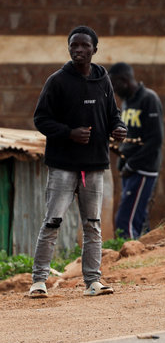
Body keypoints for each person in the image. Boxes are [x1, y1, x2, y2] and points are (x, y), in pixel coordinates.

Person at [30, 25, 127, 298]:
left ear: (95, 50)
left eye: (85, 46)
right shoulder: (58, 81)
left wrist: (118, 129)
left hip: (94, 165)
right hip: (63, 165)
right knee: (52, 222)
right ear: (69, 48)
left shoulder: (102, 79)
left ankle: (93, 282)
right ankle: (38, 281)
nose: (79, 50)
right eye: (74, 45)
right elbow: (41, 119)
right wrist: (69, 133)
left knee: (93, 224)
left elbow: (112, 115)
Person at [108, 62, 163, 239]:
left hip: (143, 168)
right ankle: (145, 256)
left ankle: (128, 261)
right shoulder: (126, 102)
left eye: (115, 84)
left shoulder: (148, 98)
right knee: (139, 218)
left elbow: (155, 139)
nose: (114, 90)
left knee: (125, 221)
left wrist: (132, 164)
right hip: (129, 168)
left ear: (124, 80)